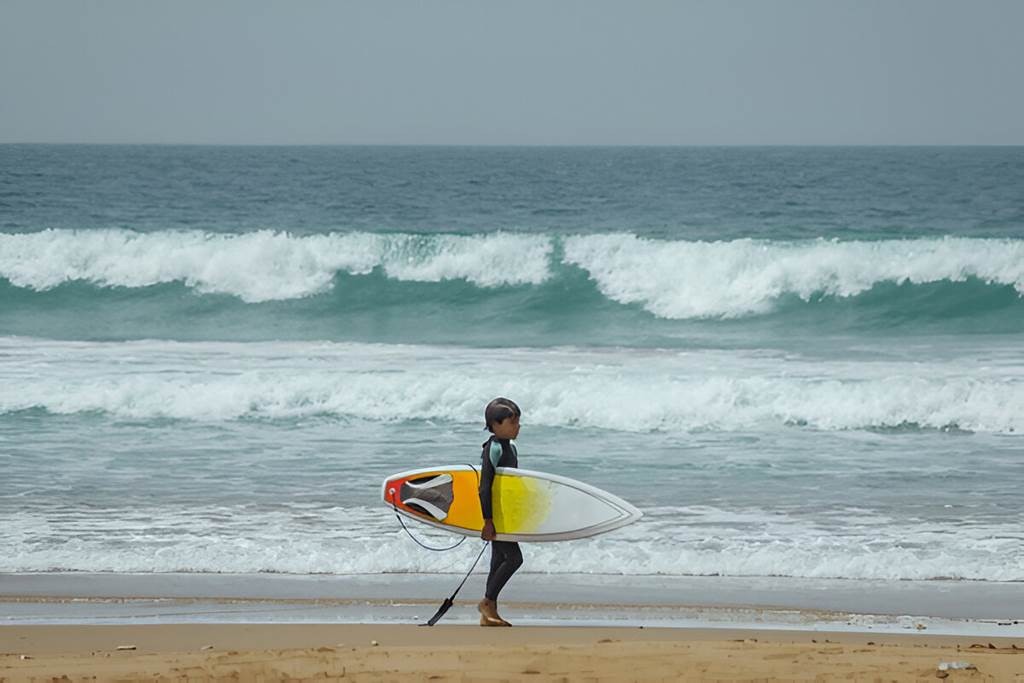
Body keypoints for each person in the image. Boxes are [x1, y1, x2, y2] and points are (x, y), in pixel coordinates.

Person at [477, 397, 523, 627]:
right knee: (515, 558)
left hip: (506, 514)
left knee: (498, 560)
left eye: (518, 422)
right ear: (495, 425)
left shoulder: (511, 448)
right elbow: (484, 487)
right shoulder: (492, 449)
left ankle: (489, 613)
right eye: (512, 422)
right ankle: (487, 602)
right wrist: (488, 520)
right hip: (495, 515)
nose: (517, 427)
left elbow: (511, 485)